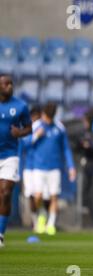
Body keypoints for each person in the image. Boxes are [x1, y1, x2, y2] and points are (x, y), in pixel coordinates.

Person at [32, 103, 76, 235]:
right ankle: (41, 214)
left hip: (55, 167)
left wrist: (71, 166)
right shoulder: (36, 126)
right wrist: (36, 136)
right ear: (43, 114)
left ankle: (50, 224)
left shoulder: (60, 128)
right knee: (38, 196)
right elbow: (25, 143)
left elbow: (66, 148)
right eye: (47, 117)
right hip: (38, 167)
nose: (48, 120)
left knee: (54, 197)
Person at [0, 74, 32, 247]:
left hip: (10, 155)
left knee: (5, 193)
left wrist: (20, 133)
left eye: (11, 83)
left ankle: (0, 235)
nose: (9, 86)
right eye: (5, 84)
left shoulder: (20, 106)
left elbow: (29, 127)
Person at [18, 106, 46, 230]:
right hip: (29, 167)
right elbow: (24, 145)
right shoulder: (28, 130)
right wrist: (35, 136)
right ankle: (35, 221)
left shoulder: (45, 128)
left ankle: (43, 217)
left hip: (40, 167)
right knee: (30, 194)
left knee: (40, 194)